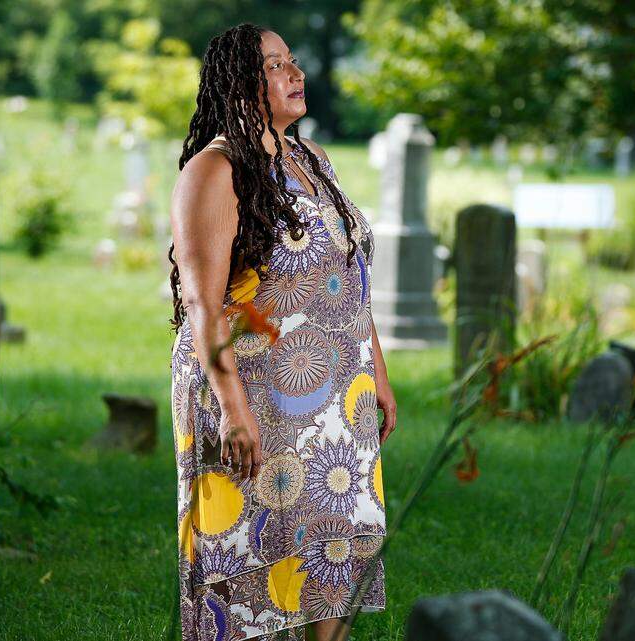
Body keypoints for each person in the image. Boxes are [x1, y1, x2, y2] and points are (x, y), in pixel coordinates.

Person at [167, 22, 398, 641]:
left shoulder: (313, 159)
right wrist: (233, 409)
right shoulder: (214, 171)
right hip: (250, 388)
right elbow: (202, 301)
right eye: (276, 65)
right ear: (243, 84)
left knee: (339, 545)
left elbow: (346, 274)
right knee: (253, 558)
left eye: (293, 61)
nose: (296, 74)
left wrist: (375, 373)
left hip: (335, 396)